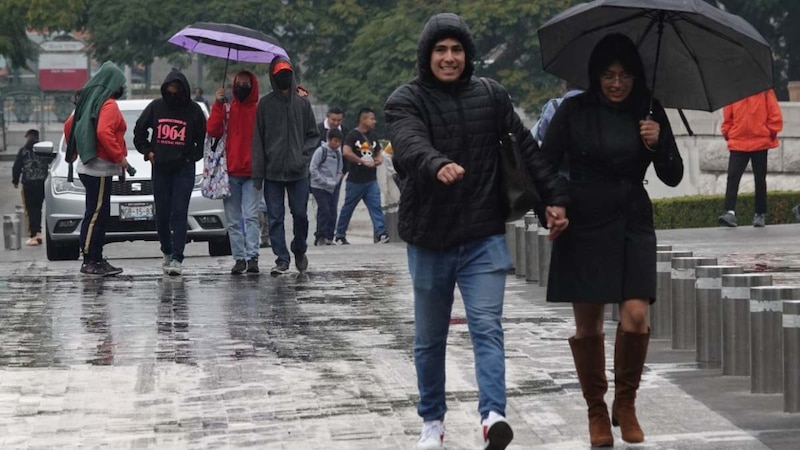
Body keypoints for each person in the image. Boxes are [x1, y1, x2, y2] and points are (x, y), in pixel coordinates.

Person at [384, 13, 569, 450]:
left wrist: (553, 200)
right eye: (441, 50)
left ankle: (493, 416)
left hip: (484, 235)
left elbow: (526, 151)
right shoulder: (405, 100)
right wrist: (435, 163)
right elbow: (408, 143)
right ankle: (432, 422)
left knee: (487, 326)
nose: (449, 58)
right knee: (430, 339)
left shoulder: (492, 96)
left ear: (467, 55)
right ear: (427, 55)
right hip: (430, 239)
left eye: (457, 50)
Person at [542, 34, 683, 446]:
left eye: (624, 75)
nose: (616, 83)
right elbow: (545, 168)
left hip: (632, 219)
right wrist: (556, 205)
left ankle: (627, 402)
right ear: (595, 76)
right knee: (587, 325)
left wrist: (657, 144)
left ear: (636, 76)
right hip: (583, 221)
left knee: (636, 314)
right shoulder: (573, 111)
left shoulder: (650, 109)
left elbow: (672, 174)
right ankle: (596, 411)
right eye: (608, 75)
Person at [134, 69, 207, 276]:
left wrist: (191, 156)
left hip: (183, 169)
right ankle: (166, 250)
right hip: (160, 168)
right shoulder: (156, 107)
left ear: (184, 90)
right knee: (162, 213)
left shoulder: (193, 110)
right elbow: (139, 130)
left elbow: (202, 139)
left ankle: (177, 257)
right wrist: (147, 151)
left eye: (176, 90)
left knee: (179, 212)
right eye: (169, 90)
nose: (173, 94)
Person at [252, 57, 319, 275]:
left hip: (298, 172)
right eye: (280, 73)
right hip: (272, 172)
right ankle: (281, 258)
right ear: (273, 76)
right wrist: (258, 173)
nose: (284, 76)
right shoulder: (265, 104)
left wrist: (303, 155)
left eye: (287, 72)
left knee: (300, 214)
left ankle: (299, 249)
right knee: (275, 218)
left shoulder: (302, 103)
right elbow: (258, 140)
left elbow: (313, 135)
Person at [64, 61, 131, 277]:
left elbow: (69, 126)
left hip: (90, 167)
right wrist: (119, 158)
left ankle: (96, 258)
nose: (123, 88)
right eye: (121, 83)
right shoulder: (108, 104)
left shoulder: (91, 100)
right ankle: (90, 259)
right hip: (99, 168)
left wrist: (77, 150)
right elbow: (104, 132)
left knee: (97, 214)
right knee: (95, 215)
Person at [207, 71, 262, 275]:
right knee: (233, 219)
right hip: (229, 173)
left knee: (250, 216)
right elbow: (213, 130)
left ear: (252, 85)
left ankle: (253, 257)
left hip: (252, 173)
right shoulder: (227, 109)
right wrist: (218, 104)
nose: (241, 86)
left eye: (245, 83)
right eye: (238, 83)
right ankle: (239, 258)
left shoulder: (259, 111)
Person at [717, 89, 782, 228]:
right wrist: (727, 132)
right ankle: (730, 212)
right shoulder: (733, 91)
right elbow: (728, 116)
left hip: (760, 140)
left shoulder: (764, 90)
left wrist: (770, 130)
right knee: (733, 177)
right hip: (739, 140)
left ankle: (759, 213)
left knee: (760, 179)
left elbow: (774, 112)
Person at [335, 108, 389, 245]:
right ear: (363, 119)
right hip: (355, 180)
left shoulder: (373, 135)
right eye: (372, 119)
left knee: (376, 206)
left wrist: (378, 160)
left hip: (371, 180)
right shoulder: (352, 135)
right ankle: (340, 234)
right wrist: (361, 161)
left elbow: (377, 152)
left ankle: (381, 233)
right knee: (348, 207)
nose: (374, 121)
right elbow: (346, 152)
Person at [12, 129, 54, 246]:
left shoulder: (24, 151)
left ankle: (34, 234)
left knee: (30, 210)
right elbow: (52, 161)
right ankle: (38, 232)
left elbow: (17, 166)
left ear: (28, 137)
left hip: (28, 184)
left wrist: (15, 180)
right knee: (38, 208)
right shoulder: (43, 150)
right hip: (41, 184)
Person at [310, 129, 344, 246]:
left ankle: (329, 236)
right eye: (335, 141)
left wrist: (336, 181)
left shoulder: (338, 154)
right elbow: (313, 168)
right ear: (329, 139)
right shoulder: (321, 151)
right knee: (324, 209)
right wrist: (323, 181)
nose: (337, 144)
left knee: (332, 211)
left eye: (339, 142)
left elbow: (340, 170)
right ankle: (320, 236)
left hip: (332, 187)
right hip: (319, 186)